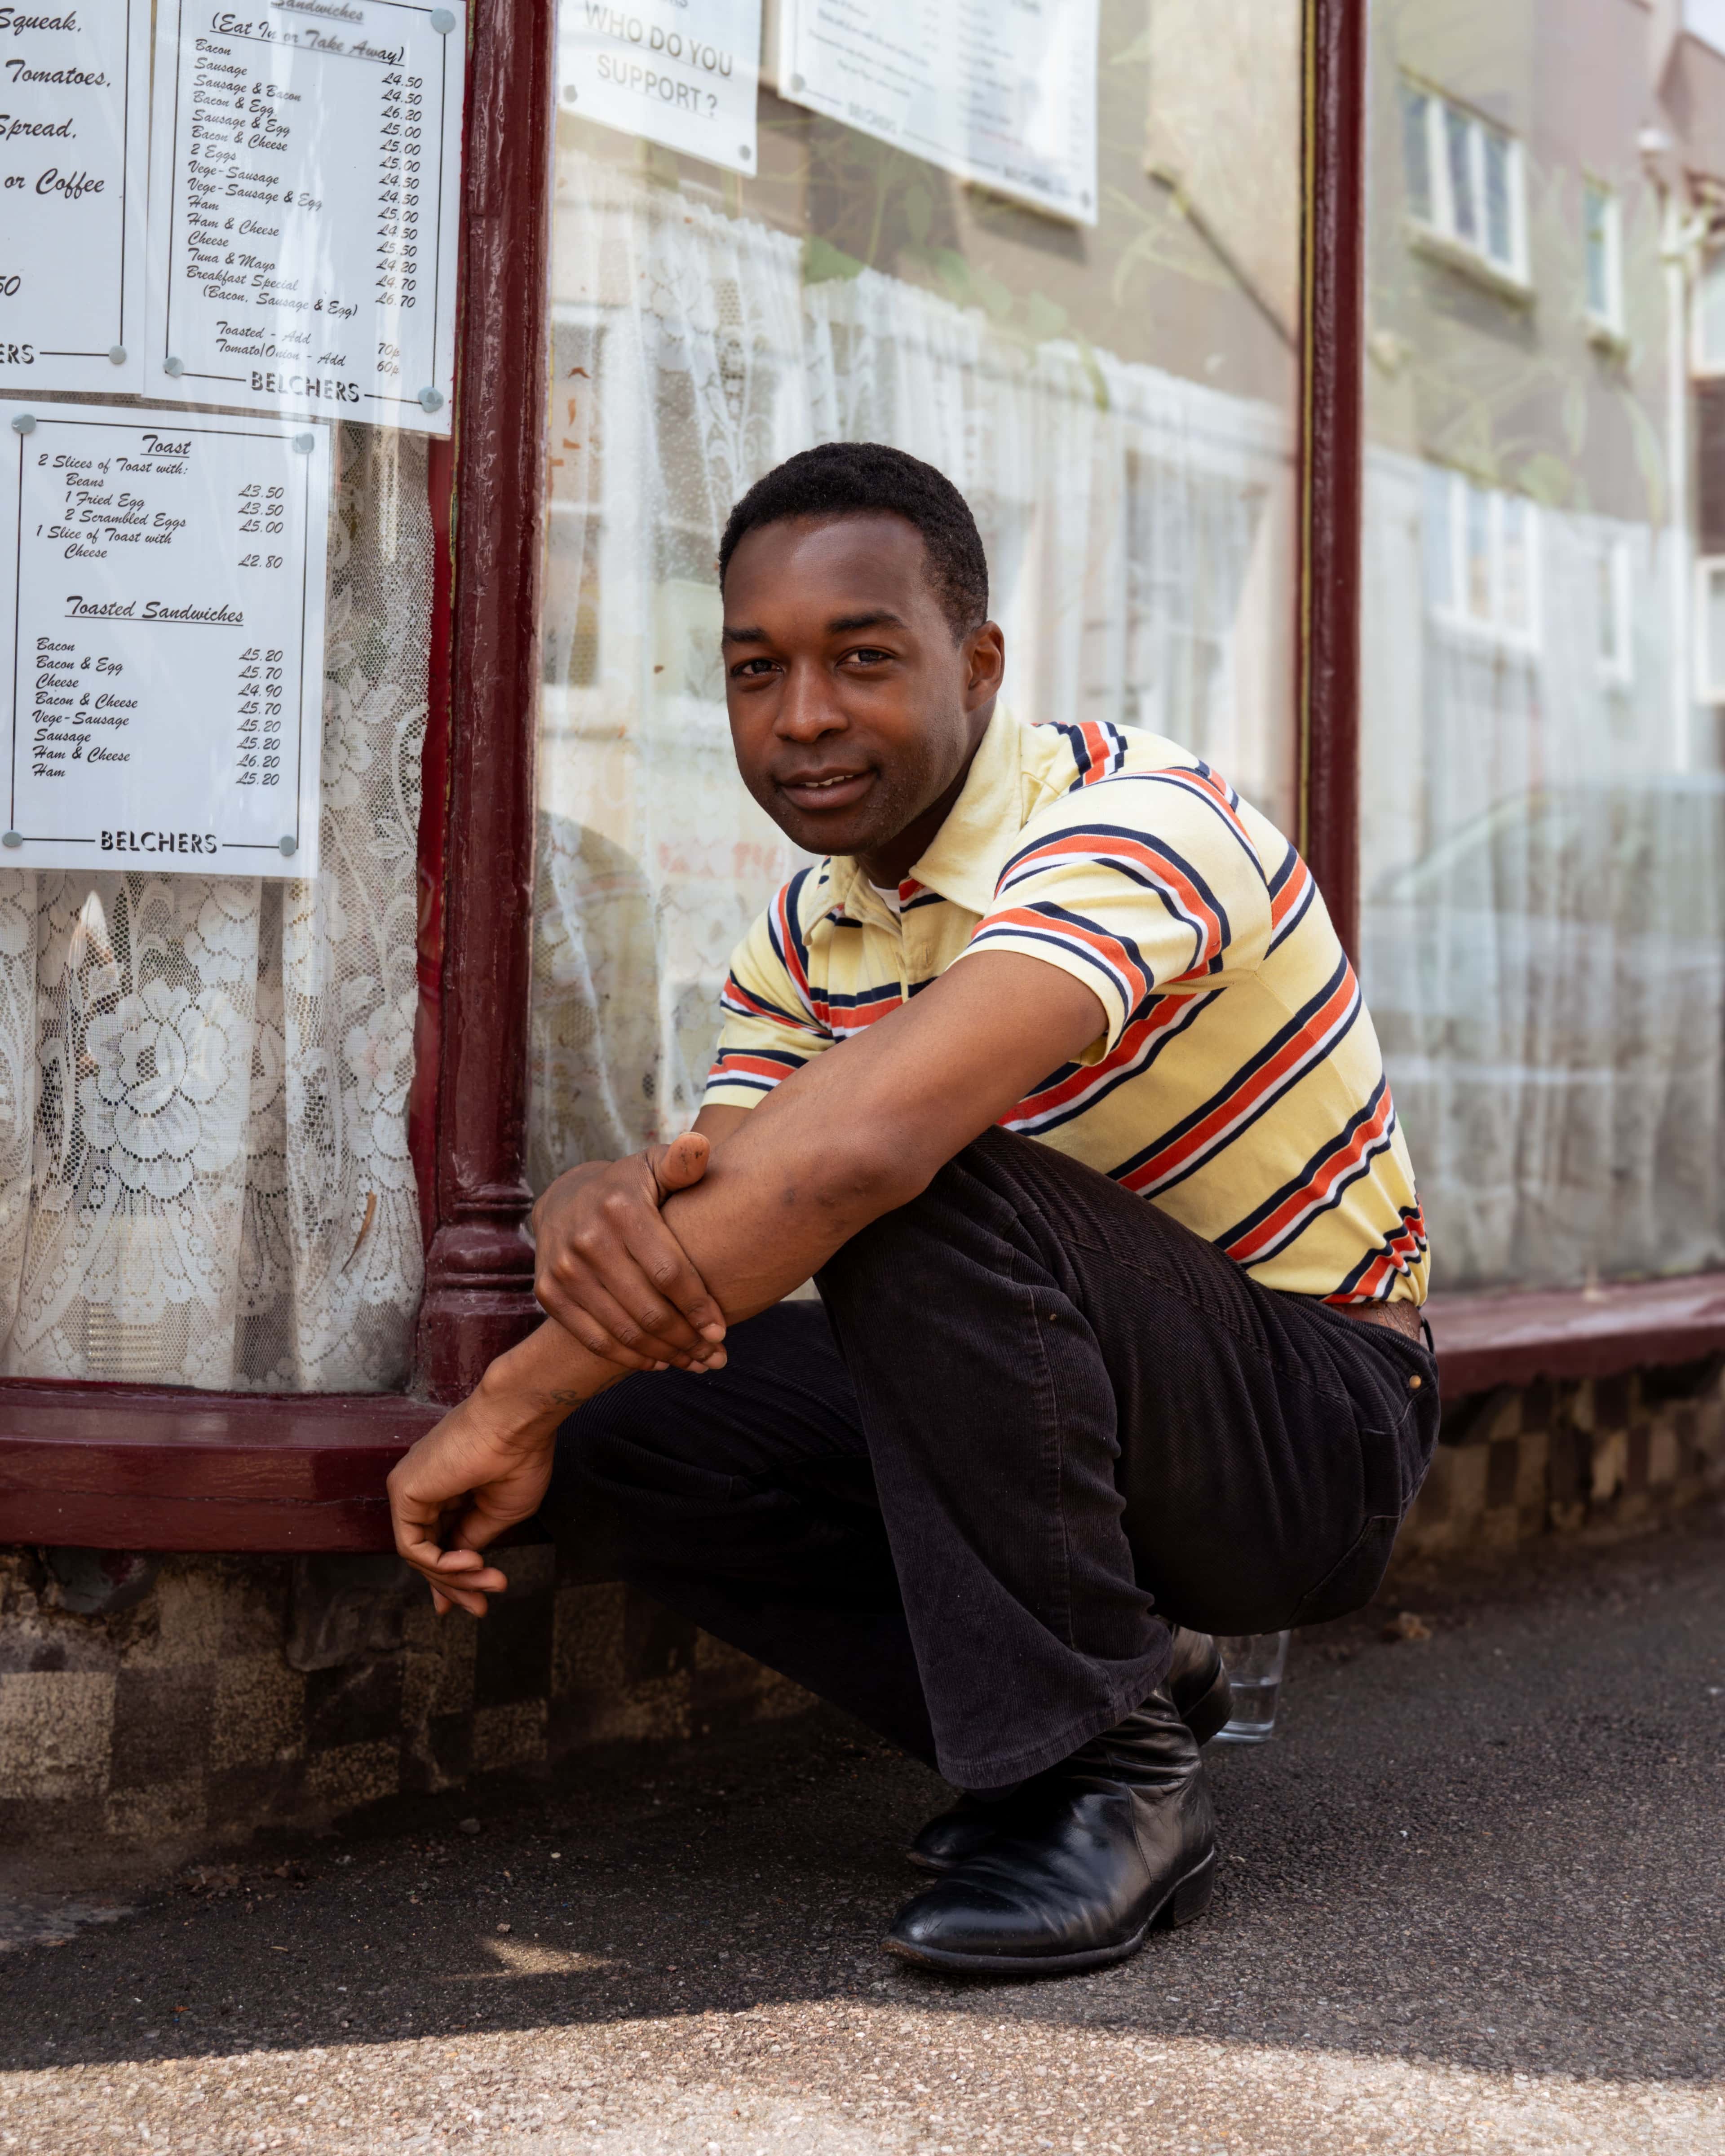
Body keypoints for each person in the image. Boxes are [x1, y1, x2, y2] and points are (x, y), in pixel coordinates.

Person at [387, 442, 1439, 1978]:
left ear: (980, 662)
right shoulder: (811, 933)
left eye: (862, 659)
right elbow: (724, 1219)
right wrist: (587, 1207)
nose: (803, 716)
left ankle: (1109, 1786)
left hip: (1316, 1428)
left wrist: (500, 1401)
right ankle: (1116, 1696)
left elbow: (853, 1157)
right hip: (1100, 1411)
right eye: (759, 669)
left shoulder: (1134, 819)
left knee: (907, 1170)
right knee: (633, 1426)